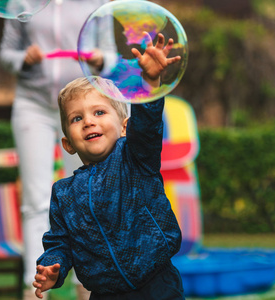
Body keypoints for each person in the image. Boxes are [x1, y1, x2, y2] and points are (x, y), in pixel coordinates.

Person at [33, 32, 184, 300]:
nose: (89, 122)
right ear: (68, 144)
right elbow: (60, 243)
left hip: (157, 286)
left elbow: (147, 125)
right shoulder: (64, 193)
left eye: (99, 112)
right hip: (104, 294)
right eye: (77, 118)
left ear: (125, 127)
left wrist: (149, 81)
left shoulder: (136, 157)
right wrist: (52, 267)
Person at [0, 1, 110, 299]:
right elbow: (5, 55)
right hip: (32, 105)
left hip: (80, 109)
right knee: (36, 199)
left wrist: (100, 59)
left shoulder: (98, 3)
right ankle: (35, 285)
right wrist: (24, 58)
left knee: (86, 199)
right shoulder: (20, 2)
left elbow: (112, 58)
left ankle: (87, 283)